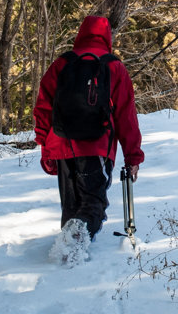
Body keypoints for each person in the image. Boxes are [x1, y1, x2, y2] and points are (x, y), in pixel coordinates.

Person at [33, 15, 144, 244]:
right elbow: (126, 118)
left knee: (71, 205)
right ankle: (75, 246)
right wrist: (133, 157)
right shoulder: (115, 67)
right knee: (94, 203)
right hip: (96, 147)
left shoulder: (61, 64)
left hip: (62, 145)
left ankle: (68, 261)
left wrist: (46, 147)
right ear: (107, 37)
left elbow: (43, 108)